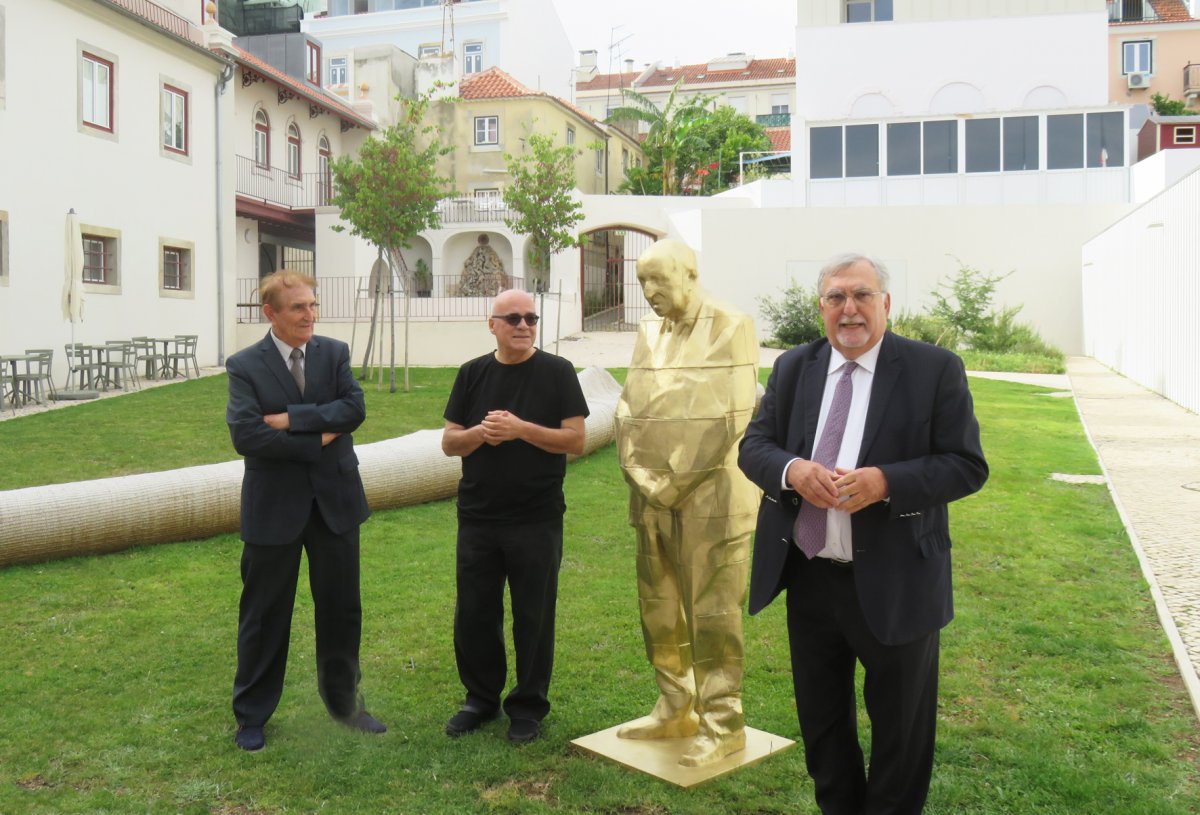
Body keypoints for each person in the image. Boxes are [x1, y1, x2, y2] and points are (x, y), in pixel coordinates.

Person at [738, 253, 988, 814]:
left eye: (861, 296)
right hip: (809, 579)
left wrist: (886, 482)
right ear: (821, 307)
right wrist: (792, 470)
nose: (848, 309)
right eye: (835, 297)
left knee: (901, 734)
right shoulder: (794, 367)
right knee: (823, 727)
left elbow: (966, 464)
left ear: (886, 304)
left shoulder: (933, 369)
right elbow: (753, 448)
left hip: (898, 580)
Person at [613, 239, 761, 767]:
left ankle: (724, 724)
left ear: (690, 274)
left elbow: (729, 415)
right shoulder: (649, 330)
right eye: (642, 283)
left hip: (714, 496)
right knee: (658, 606)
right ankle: (675, 705)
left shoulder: (731, 323)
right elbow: (629, 405)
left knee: (712, 613)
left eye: (659, 280)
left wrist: (669, 485)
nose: (650, 293)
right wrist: (637, 471)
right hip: (650, 494)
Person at [226, 270, 385, 753]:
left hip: (335, 504)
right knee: (263, 615)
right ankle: (252, 714)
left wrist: (293, 420)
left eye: (313, 306)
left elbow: (353, 409)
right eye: (298, 308)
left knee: (341, 611)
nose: (309, 315)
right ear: (270, 313)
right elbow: (247, 436)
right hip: (273, 508)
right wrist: (319, 437)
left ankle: (344, 705)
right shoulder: (244, 365)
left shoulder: (333, 353)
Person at [441, 288, 589, 745]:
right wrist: (481, 435)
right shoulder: (472, 374)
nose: (523, 326)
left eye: (530, 318)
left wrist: (521, 429)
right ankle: (480, 699)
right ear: (493, 325)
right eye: (512, 319)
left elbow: (576, 440)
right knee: (475, 613)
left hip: (536, 516)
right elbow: (449, 442)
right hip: (479, 517)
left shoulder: (557, 372)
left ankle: (527, 706)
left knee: (534, 614)